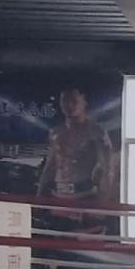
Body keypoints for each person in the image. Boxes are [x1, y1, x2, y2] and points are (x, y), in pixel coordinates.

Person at [36, 87, 114, 233]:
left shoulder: (96, 132)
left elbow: (107, 169)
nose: (69, 105)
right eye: (65, 101)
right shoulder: (56, 132)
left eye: (74, 100)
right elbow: (50, 166)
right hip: (58, 196)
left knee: (86, 240)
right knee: (56, 240)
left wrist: (102, 203)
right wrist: (39, 195)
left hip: (84, 195)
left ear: (83, 101)